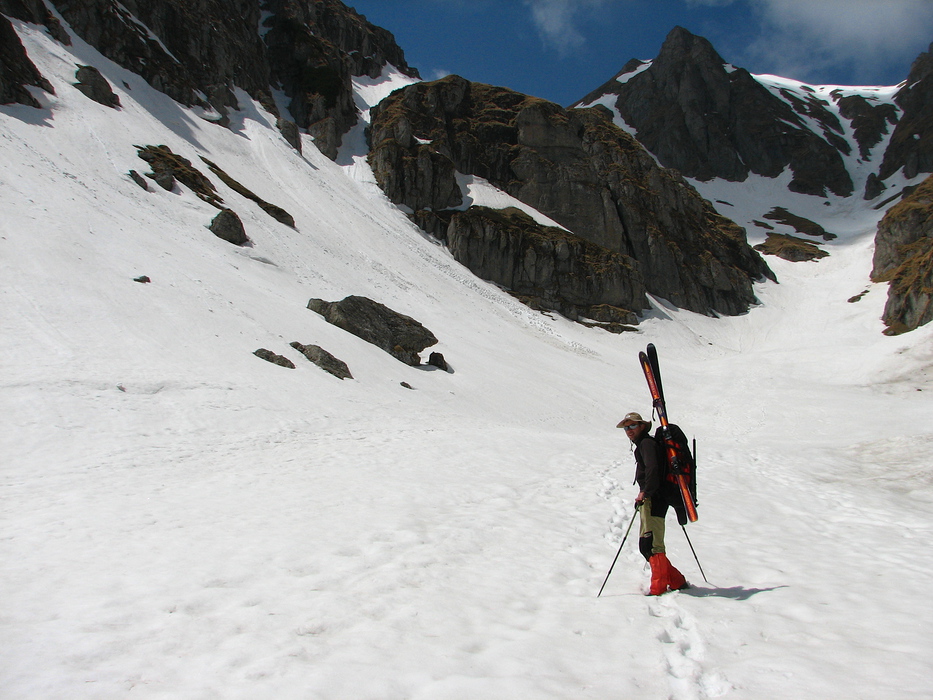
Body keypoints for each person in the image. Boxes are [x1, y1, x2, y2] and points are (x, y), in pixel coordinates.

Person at [617, 411, 689, 595]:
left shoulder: (647, 444)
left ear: (642, 426)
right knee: (647, 545)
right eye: (626, 427)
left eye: (632, 425)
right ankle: (677, 581)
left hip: (654, 498)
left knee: (652, 545)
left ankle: (658, 588)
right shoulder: (644, 444)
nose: (629, 430)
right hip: (652, 498)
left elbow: (653, 470)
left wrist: (645, 492)